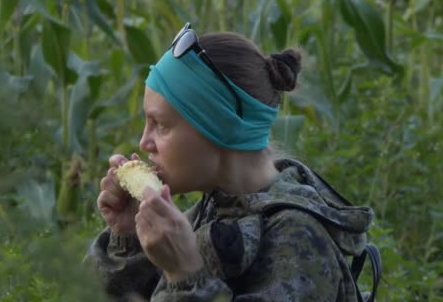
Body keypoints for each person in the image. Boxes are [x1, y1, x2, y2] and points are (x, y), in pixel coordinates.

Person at [85, 22, 374, 301]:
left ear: (221, 127)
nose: (144, 143)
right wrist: (128, 238)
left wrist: (184, 275)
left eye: (160, 125)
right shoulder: (212, 209)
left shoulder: (300, 240)